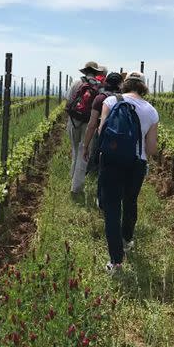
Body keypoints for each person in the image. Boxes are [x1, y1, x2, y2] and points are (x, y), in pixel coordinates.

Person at [98, 71, 159, 272]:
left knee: (112, 208)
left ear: (125, 84)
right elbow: (151, 149)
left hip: (111, 161)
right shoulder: (151, 111)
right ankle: (127, 239)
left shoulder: (110, 101)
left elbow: (101, 132)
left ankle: (115, 261)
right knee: (130, 201)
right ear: (144, 86)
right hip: (136, 164)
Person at [66, 61, 104, 196]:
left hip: (74, 120)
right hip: (89, 123)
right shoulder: (100, 86)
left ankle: (72, 176)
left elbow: (69, 100)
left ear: (85, 71)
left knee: (75, 149)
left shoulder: (76, 82)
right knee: (84, 152)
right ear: (97, 73)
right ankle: (76, 187)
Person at [82, 72, 124, 171]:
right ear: (120, 84)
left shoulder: (100, 98)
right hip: (120, 138)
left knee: (96, 167)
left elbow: (92, 125)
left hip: (102, 138)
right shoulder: (124, 99)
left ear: (106, 82)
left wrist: (86, 146)